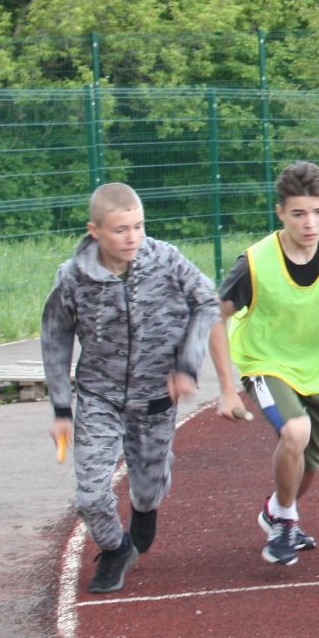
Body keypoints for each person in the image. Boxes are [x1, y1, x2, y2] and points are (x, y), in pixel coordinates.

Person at [41, 183, 219, 594]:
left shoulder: (166, 261)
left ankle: (145, 505)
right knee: (89, 495)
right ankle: (115, 548)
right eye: (121, 230)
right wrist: (62, 409)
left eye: (138, 226)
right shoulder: (72, 279)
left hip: (156, 394)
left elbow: (206, 303)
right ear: (95, 231)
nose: (132, 237)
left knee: (149, 482)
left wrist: (187, 365)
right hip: (99, 396)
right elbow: (55, 337)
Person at [210, 162, 319, 565]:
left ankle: (276, 508)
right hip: (265, 362)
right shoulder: (254, 262)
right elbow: (213, 318)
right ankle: (286, 521)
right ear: (280, 212)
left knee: (307, 466)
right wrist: (224, 388)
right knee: (296, 431)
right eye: (299, 213)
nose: (311, 223)